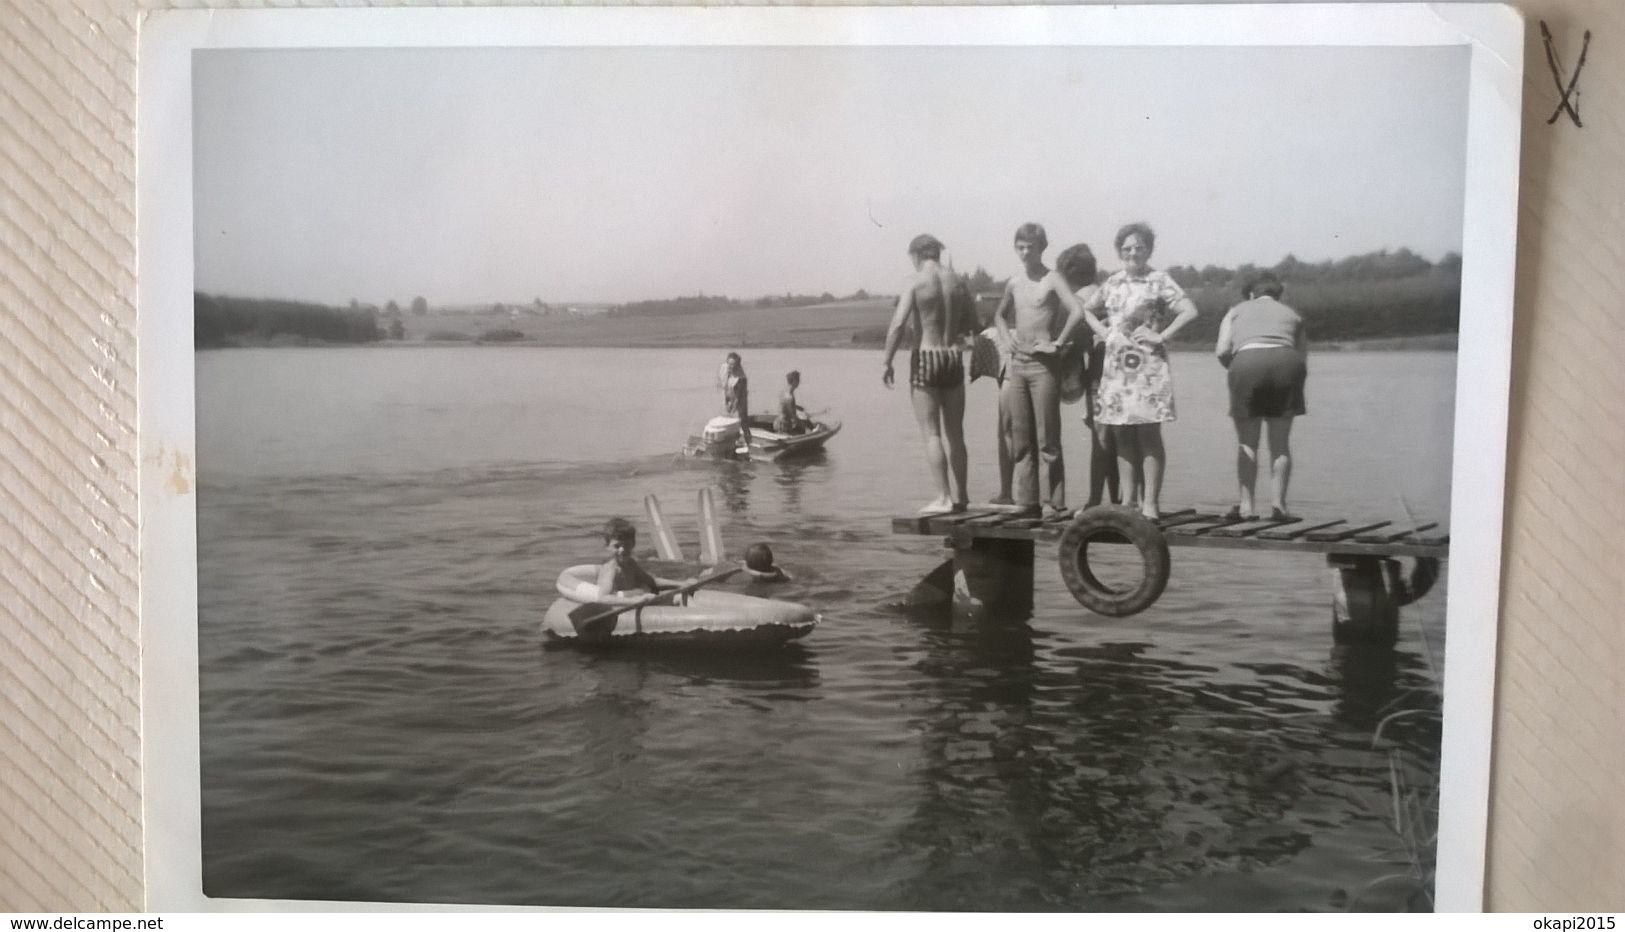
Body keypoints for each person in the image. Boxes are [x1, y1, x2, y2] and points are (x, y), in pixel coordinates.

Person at [1084, 222, 1201, 520]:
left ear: (1148, 249)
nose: (1133, 253)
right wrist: (1106, 332)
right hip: (1117, 366)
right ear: (1119, 251)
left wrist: (1162, 336)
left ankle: (1150, 503)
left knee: (1149, 432)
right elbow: (1086, 309)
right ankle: (1128, 501)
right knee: (1122, 433)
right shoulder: (1112, 283)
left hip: (1149, 365)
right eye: (1126, 248)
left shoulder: (1159, 280)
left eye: (1139, 247)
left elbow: (1190, 310)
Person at [991, 223, 1102, 519]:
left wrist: (1059, 342)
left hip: (1044, 366)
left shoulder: (1052, 279)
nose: (1025, 253)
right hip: (1018, 365)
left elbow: (1077, 310)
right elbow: (999, 316)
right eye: (1021, 247)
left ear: (1042, 248)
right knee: (1020, 436)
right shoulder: (1014, 283)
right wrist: (1006, 339)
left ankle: (1054, 503)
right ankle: (1026, 501)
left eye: (1031, 247)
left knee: (1047, 438)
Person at [882, 233, 976, 516]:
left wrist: (886, 361)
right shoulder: (958, 281)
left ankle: (944, 497)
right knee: (956, 434)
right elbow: (973, 323)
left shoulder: (914, 281)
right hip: (952, 357)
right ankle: (963, 496)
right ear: (937, 252)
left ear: (917, 255)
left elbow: (898, 324)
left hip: (926, 357)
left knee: (931, 433)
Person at [1214, 271, 1307, 519]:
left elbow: (1222, 350)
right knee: (1280, 444)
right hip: (1287, 364)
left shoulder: (1235, 311)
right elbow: (1302, 357)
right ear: (1278, 294)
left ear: (1252, 294)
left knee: (1247, 442)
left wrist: (1238, 368)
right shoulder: (1294, 315)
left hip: (1247, 363)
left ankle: (1246, 507)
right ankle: (1279, 505)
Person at [1055, 243, 1121, 508]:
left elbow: (1074, 346)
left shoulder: (1079, 301)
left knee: (1101, 439)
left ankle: (1094, 500)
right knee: (1118, 439)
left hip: (1101, 372)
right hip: (1122, 368)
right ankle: (1120, 498)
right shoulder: (1107, 291)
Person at [969, 305, 1016, 508]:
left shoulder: (989, 335)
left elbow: (981, 370)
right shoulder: (1024, 329)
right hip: (1032, 375)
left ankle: (1006, 492)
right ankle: (1032, 493)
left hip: (1010, 381)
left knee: (1006, 434)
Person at [594, 517, 674, 603]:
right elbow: (603, 598)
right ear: (607, 547)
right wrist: (636, 600)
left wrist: (681, 584)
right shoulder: (610, 569)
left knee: (681, 596)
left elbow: (651, 581)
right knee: (679, 599)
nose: (622, 549)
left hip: (638, 601)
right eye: (617, 546)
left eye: (627, 545)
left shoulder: (631, 564)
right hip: (626, 609)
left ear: (633, 544)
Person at [717, 352, 752, 453]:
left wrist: (731, 412)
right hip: (728, 396)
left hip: (740, 401)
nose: (731, 366)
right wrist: (726, 403)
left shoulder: (741, 379)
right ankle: (727, 444)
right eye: (729, 364)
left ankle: (749, 443)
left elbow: (737, 399)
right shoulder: (724, 369)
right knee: (724, 420)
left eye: (733, 364)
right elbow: (722, 386)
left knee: (742, 421)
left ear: (738, 365)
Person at [774, 370, 811, 435]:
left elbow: (785, 404)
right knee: (803, 431)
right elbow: (793, 417)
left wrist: (796, 406)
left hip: (778, 423)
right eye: (798, 380)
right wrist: (806, 428)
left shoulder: (784, 391)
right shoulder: (789, 397)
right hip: (784, 427)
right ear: (794, 381)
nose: (799, 383)